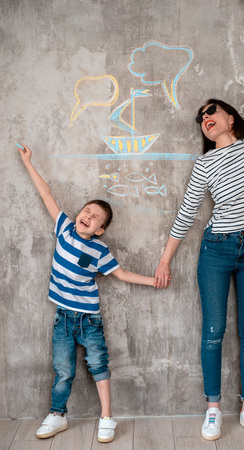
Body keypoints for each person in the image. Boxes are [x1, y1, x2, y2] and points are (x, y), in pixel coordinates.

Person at [154, 11, 244, 442]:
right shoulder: (204, 164)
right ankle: (212, 408)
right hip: (217, 249)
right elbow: (187, 213)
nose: (205, 117)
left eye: (213, 111)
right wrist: (165, 260)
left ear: (230, 117)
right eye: (201, 117)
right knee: (214, 330)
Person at [17, 145, 166, 443]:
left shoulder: (100, 250)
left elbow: (121, 274)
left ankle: (107, 418)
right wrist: (28, 162)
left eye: (95, 217)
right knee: (63, 370)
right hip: (62, 319)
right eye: (86, 210)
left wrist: (153, 281)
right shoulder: (64, 229)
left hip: (89, 320)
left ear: (100, 230)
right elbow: (46, 194)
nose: (88, 215)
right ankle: (57, 415)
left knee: (99, 366)